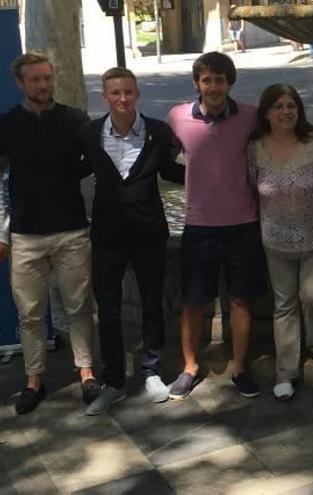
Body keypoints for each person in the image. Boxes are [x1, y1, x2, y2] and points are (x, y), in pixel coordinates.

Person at [81, 67, 185, 415]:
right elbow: (70, 171)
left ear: (137, 94)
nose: (122, 99)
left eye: (128, 92)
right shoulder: (91, 133)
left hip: (148, 233)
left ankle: (152, 371)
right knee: (108, 310)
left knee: (153, 301)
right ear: (105, 97)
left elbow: (174, 172)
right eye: (115, 93)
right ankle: (113, 382)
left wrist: (215, 169)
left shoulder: (157, 132)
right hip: (107, 236)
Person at [0, 52, 99, 415]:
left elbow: (94, 161)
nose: (43, 85)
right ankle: (33, 381)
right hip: (26, 234)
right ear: (21, 83)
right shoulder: (7, 124)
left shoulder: (75, 119)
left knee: (79, 307)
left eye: (47, 78)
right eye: (35, 79)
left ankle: (86, 371)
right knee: (30, 314)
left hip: (71, 229)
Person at [166, 52, 266, 400]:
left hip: (243, 223)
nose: (213, 86)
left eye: (220, 80)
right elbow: (169, 156)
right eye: (207, 80)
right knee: (193, 301)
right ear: (197, 83)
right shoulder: (178, 116)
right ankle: (189, 366)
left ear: (229, 83)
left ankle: (239, 367)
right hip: (199, 224)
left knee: (241, 300)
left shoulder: (250, 117)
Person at [247, 84, 313, 401]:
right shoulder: (255, 147)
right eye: (278, 106)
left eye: (291, 105)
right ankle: (286, 371)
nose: (286, 112)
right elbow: (251, 194)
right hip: (275, 241)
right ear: (266, 112)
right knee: (283, 306)